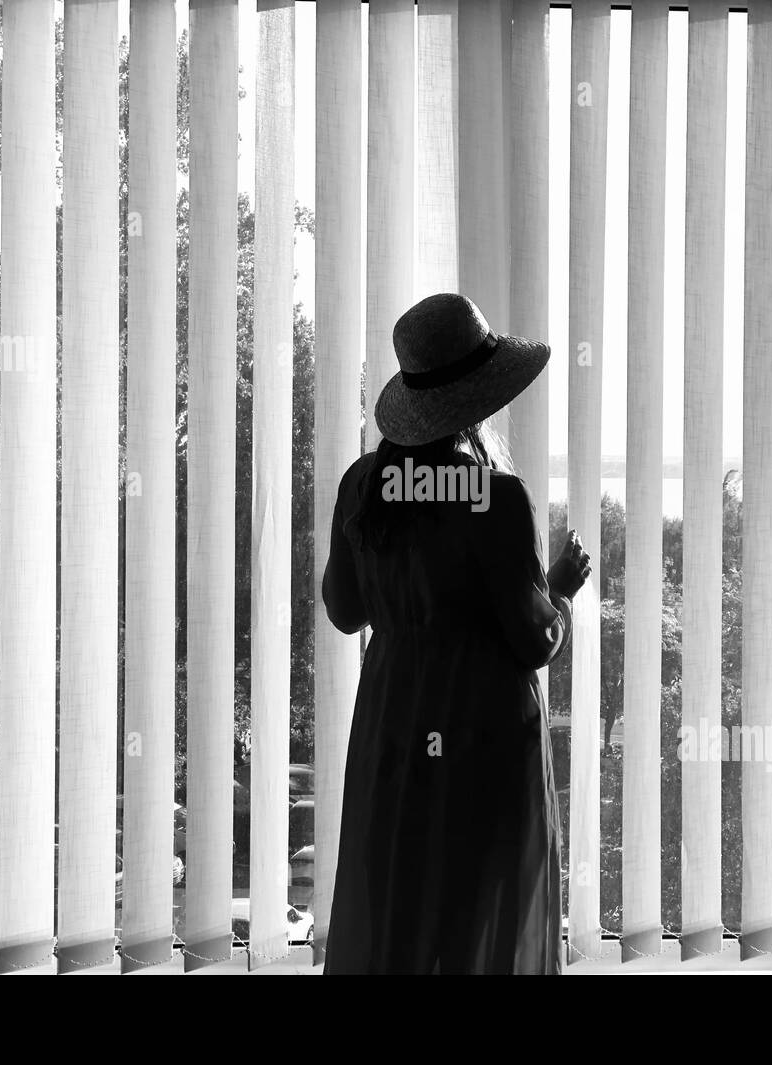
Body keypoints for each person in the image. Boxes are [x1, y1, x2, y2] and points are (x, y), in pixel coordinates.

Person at [321, 292, 591, 975]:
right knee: (476, 924)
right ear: (477, 398)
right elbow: (534, 641)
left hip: (393, 729)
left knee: (401, 916)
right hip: (483, 737)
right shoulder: (496, 500)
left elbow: (344, 609)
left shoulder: (361, 488)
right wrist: (556, 587)